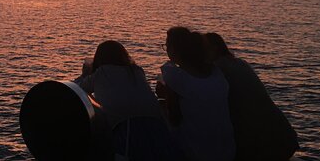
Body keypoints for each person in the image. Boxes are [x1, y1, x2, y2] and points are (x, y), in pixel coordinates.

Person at [75, 40, 183, 160]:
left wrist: (85, 74)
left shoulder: (101, 73)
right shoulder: (136, 71)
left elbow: (77, 88)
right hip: (156, 126)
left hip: (124, 129)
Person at [204, 32, 299, 161]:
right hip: (283, 136)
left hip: (261, 144)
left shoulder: (218, 70)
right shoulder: (240, 63)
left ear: (212, 48)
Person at [157, 27, 234, 161]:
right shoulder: (217, 75)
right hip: (227, 150)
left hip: (196, 151)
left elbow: (174, 119)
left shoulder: (175, 77)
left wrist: (166, 96)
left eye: (166, 46)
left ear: (174, 49)